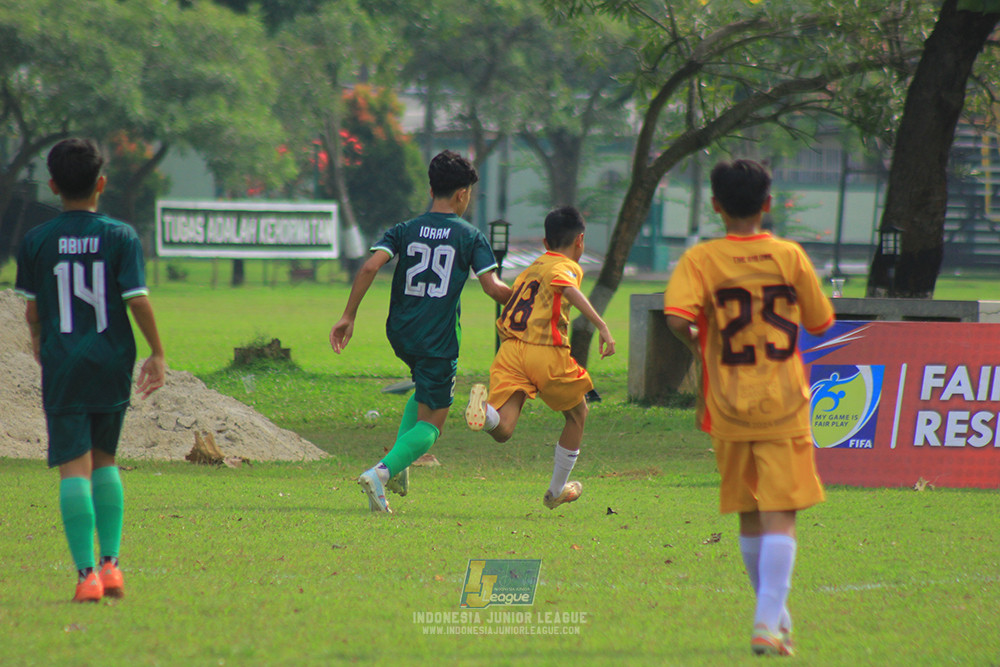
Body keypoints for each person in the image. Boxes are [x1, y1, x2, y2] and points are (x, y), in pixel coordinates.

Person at [664, 159, 834, 656]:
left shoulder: (701, 259)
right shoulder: (789, 255)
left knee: (749, 512)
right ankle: (766, 621)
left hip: (728, 402)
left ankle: (775, 621)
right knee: (782, 513)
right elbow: (821, 322)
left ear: (716, 205)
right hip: (783, 401)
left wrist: (700, 340)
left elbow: (676, 317)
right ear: (768, 203)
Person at [14, 138, 166, 602]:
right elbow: (136, 300)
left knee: (73, 467)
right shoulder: (121, 236)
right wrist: (157, 352)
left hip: (63, 362)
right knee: (105, 459)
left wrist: (38, 340)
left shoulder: (36, 241)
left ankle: (86, 577)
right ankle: (112, 565)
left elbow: (33, 311)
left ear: (53, 185)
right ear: (101, 183)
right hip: (111, 359)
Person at [330, 150, 511, 513]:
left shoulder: (404, 229)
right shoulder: (469, 236)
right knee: (434, 422)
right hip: (437, 340)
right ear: (462, 194)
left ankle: (398, 471)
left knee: (423, 390)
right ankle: (380, 473)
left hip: (401, 331)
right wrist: (528, 298)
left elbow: (369, 267)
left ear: (431, 189)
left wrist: (348, 316)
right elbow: (493, 288)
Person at [464, 206, 615, 510]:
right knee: (578, 414)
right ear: (580, 241)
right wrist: (601, 325)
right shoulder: (565, 266)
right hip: (544, 350)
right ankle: (556, 490)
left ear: (545, 242)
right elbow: (567, 288)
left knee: (503, 429)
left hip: (510, 350)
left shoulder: (530, 269)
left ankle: (485, 411)